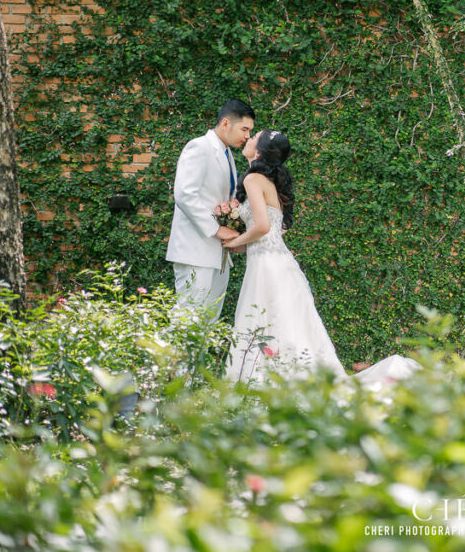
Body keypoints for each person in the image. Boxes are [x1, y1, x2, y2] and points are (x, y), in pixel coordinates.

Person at [221, 129, 419, 386]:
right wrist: (243, 245)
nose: (247, 138)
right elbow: (272, 232)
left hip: (268, 268)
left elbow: (262, 227)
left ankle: (265, 384)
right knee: (285, 325)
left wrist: (234, 241)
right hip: (276, 263)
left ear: (259, 151)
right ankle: (288, 382)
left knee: (265, 323)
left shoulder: (253, 179)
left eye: (253, 137)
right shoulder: (268, 181)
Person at [166, 99, 255, 322]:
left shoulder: (228, 155)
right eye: (244, 129)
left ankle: (199, 359)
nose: (247, 136)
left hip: (219, 254)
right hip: (196, 250)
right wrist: (217, 230)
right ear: (226, 123)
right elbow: (185, 194)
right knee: (188, 319)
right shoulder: (199, 147)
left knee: (208, 321)